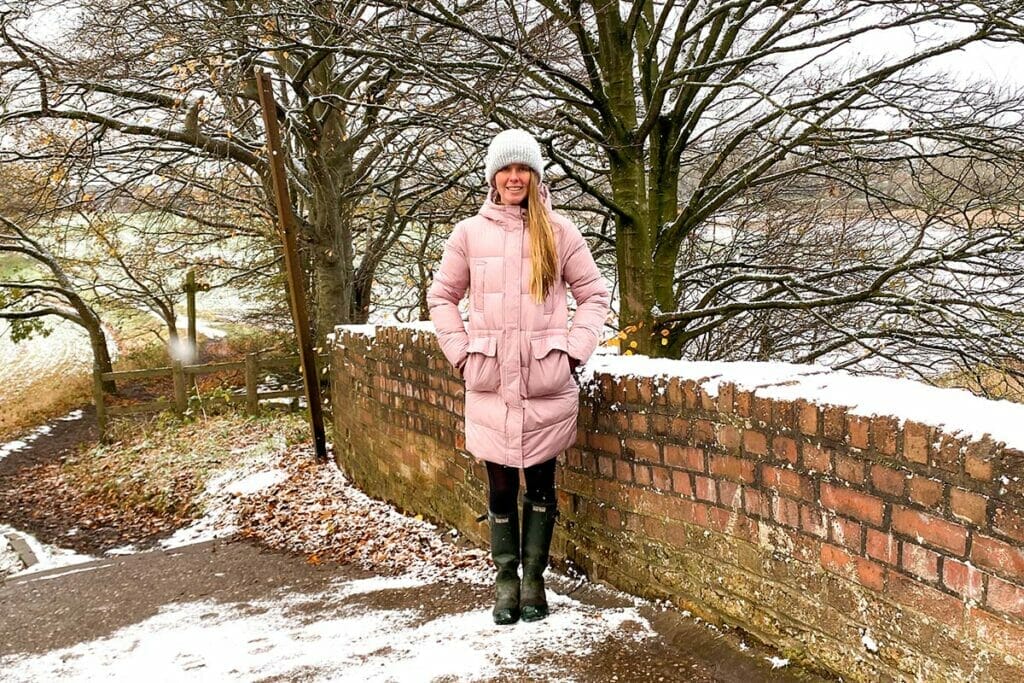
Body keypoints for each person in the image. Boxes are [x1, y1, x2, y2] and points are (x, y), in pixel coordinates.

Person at [427, 129, 611, 625]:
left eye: (523, 169)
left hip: (545, 380)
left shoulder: (560, 232)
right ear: (493, 177)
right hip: (490, 380)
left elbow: (594, 295)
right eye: (506, 169)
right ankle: (505, 579)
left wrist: (573, 353)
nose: (514, 178)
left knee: (542, 484)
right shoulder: (469, 234)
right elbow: (442, 296)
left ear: (535, 176)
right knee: (501, 486)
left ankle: (535, 580)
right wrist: (461, 354)